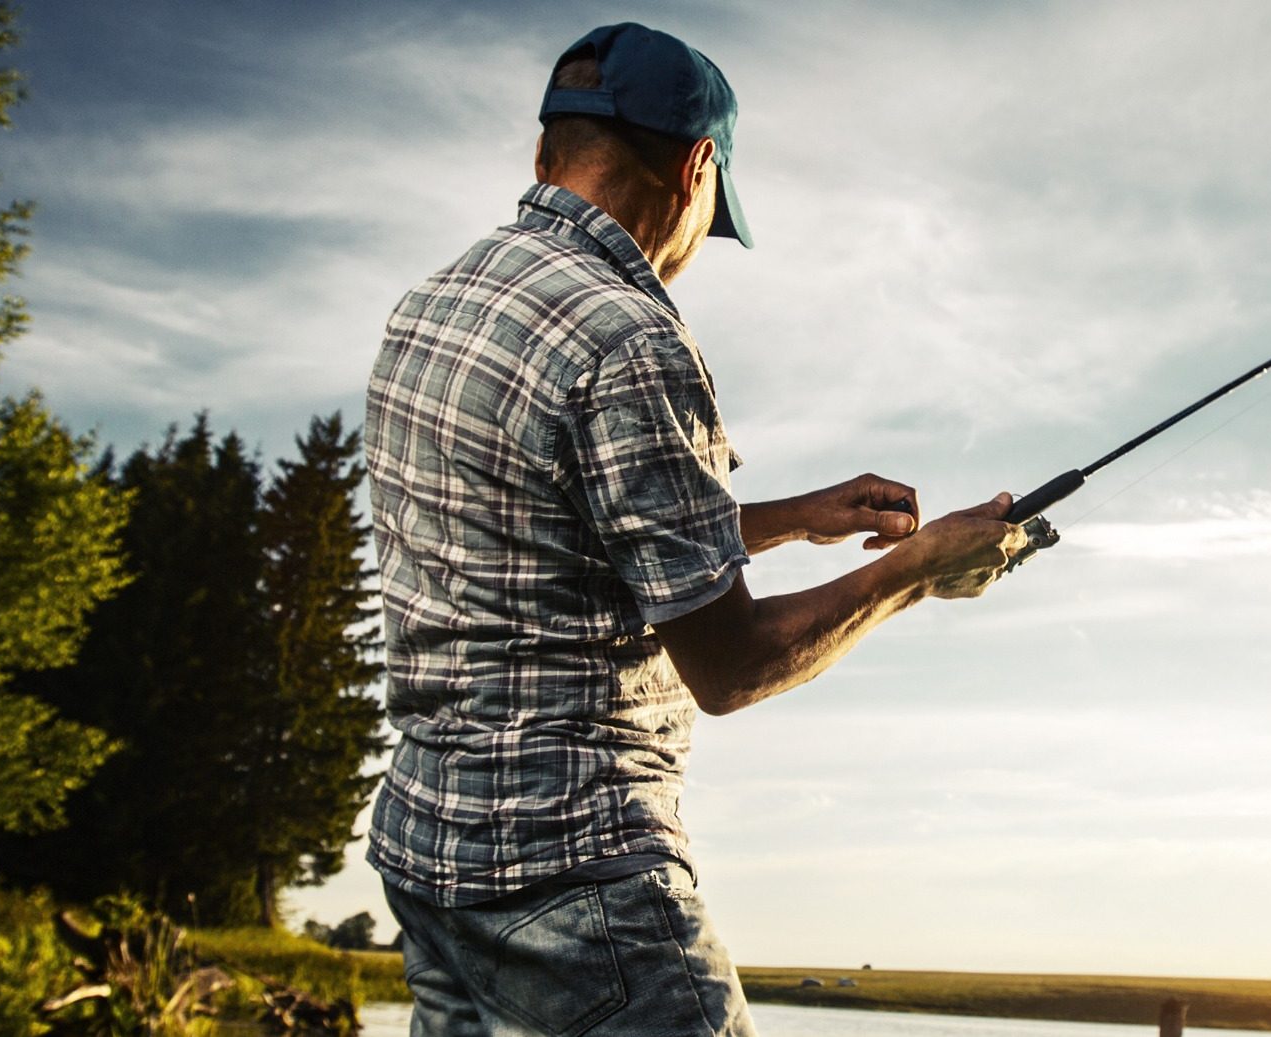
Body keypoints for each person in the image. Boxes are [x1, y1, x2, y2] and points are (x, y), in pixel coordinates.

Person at [362, 22, 1028, 1036]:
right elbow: (729, 666)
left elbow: (553, 526)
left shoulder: (438, 302)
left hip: (428, 853)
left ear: (548, 150)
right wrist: (917, 571)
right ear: (696, 166)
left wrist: (792, 518)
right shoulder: (628, 338)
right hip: (577, 879)